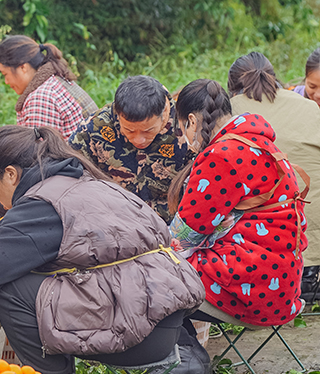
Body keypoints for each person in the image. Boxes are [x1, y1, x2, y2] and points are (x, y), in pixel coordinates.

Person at [0, 125, 204, 374]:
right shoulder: (90, 184)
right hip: (166, 326)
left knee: (8, 287)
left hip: (136, 336)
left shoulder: (40, 207)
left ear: (11, 174)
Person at [169, 79, 307, 327]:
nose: (185, 139)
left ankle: (185, 354)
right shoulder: (259, 142)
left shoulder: (221, 156)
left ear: (190, 121)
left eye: (182, 129)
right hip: (283, 286)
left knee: (158, 269)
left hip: (252, 291)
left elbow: (184, 235)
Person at [228, 51, 320, 298]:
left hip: (254, 247)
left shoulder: (230, 111)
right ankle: (309, 275)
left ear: (231, 87)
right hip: (310, 238)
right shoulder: (308, 107)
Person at [69, 75, 191, 223]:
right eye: (129, 131)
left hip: (173, 227)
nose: (139, 140)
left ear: (164, 112)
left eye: (148, 131)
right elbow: (68, 170)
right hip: (113, 224)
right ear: (118, 115)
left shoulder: (189, 128)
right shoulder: (96, 128)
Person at [0, 35, 97, 139]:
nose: (6, 82)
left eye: (5, 74)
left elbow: (37, 153)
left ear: (23, 67)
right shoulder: (55, 81)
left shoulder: (41, 98)